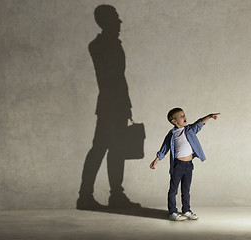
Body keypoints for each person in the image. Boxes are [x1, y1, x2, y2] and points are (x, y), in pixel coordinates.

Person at [77, 4, 140, 210]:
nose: (120, 21)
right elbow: (112, 78)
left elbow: (118, 78)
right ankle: (90, 196)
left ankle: (109, 195)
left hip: (113, 105)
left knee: (112, 150)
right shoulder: (101, 45)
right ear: (106, 21)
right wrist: (123, 103)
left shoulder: (106, 43)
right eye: (115, 18)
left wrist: (126, 104)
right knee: (103, 149)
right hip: (111, 106)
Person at [150, 108, 220, 220]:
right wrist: (156, 160)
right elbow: (164, 148)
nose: (184, 117)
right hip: (178, 165)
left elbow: (199, 123)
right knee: (173, 190)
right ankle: (172, 212)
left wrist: (210, 116)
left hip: (189, 165)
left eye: (184, 115)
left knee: (186, 190)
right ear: (174, 121)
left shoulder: (189, 130)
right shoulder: (172, 134)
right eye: (181, 116)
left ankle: (186, 210)